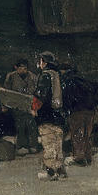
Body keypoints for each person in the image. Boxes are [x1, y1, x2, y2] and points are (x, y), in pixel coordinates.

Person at [32, 52, 66, 180]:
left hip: (47, 114)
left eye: (40, 61)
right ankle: (60, 170)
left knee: (48, 143)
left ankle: (50, 171)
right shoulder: (59, 75)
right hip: (59, 115)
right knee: (58, 144)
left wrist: (34, 109)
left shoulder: (45, 76)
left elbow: (40, 95)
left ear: (44, 62)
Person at [59, 63, 97, 167]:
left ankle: (79, 158)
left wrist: (66, 110)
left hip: (77, 110)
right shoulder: (82, 78)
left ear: (63, 70)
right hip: (90, 110)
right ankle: (88, 157)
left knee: (77, 133)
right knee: (87, 133)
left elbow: (66, 97)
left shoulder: (67, 80)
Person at [3, 58, 38, 157]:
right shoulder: (10, 77)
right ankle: (21, 146)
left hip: (30, 105)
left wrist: (35, 107)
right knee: (20, 125)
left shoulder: (33, 77)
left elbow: (36, 93)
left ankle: (33, 145)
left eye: (25, 68)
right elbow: (6, 92)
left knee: (31, 125)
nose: (23, 71)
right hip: (16, 106)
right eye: (21, 68)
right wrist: (6, 105)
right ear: (16, 68)